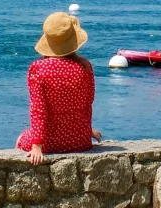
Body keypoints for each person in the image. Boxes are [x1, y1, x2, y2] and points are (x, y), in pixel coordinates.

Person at [17, 11, 102, 164]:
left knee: (21, 138)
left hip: (49, 143)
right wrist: (86, 131)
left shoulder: (39, 69)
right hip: (80, 140)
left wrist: (37, 146)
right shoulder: (85, 67)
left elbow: (38, 109)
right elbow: (87, 102)